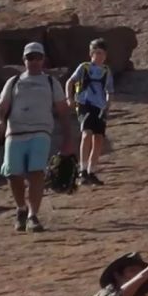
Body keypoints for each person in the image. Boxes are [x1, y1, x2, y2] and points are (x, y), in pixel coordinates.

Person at [0, 43, 75, 233]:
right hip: (15, 132)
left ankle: (33, 215)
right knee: (13, 175)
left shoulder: (50, 82)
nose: (34, 61)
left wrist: (68, 138)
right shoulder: (13, 82)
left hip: (41, 131)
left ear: (43, 59)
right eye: (30, 57)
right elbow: (1, 106)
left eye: (38, 57)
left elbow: (63, 110)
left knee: (36, 172)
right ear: (24, 60)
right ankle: (21, 208)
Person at [66, 39, 114, 186]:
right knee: (87, 133)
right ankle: (82, 169)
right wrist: (69, 98)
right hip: (84, 104)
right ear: (91, 54)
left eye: (102, 53)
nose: (99, 56)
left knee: (98, 138)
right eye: (97, 53)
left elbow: (109, 91)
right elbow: (70, 81)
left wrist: (107, 106)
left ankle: (91, 171)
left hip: (99, 107)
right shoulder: (84, 67)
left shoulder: (106, 71)